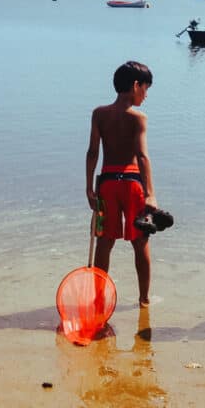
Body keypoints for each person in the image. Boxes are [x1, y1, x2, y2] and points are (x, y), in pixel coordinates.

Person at [85, 61, 159, 307]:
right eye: (146, 89)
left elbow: (93, 152)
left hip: (106, 184)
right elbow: (142, 156)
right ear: (135, 86)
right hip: (132, 184)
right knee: (140, 241)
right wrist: (150, 195)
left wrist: (89, 188)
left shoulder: (99, 113)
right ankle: (144, 299)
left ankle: (98, 297)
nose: (146, 95)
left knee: (105, 241)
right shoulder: (138, 118)